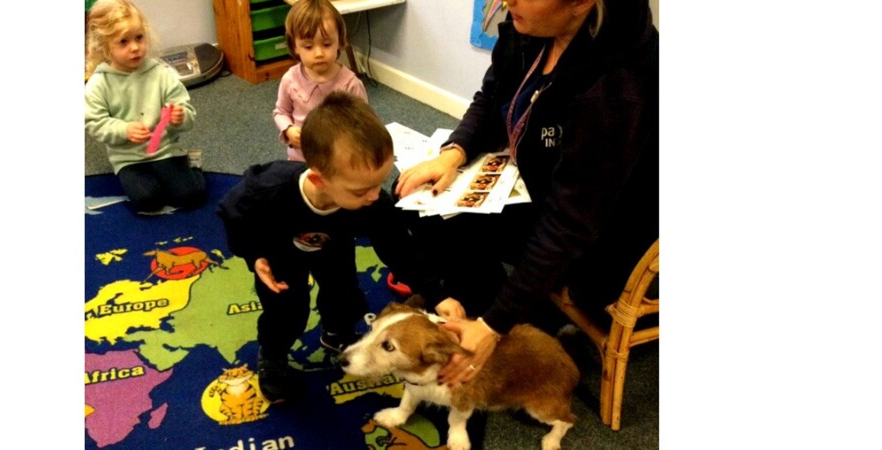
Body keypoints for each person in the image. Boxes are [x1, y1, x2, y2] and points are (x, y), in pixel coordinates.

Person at [393, 0, 658, 387]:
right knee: (412, 203)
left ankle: (505, 335)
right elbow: (490, 97)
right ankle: (493, 309)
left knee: (449, 233)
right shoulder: (533, 28)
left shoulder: (615, 91)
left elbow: (570, 225)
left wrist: (493, 324)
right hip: (543, 184)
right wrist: (455, 151)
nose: (506, 0)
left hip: (602, 239)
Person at [218, 92, 450, 403]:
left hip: (335, 246)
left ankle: (337, 333)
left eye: (378, 183)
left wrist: (438, 293)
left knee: (344, 293)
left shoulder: (370, 203)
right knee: (286, 309)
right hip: (280, 252)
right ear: (319, 179)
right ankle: (273, 356)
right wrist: (254, 254)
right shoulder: (269, 188)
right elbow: (234, 212)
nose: (373, 195)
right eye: (361, 190)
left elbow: (399, 247)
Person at [85, 0, 206, 215]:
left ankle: (192, 166)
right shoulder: (98, 83)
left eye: (139, 38)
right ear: (105, 47)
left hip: (165, 150)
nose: (134, 47)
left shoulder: (160, 73)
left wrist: (180, 116)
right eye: (123, 42)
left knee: (190, 196)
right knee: (147, 200)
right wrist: (123, 129)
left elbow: (187, 112)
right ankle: (155, 182)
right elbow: (95, 123)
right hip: (128, 158)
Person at [273, 0, 368, 162]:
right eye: (308, 47)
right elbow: (280, 112)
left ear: (339, 41)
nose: (318, 53)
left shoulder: (350, 84)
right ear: (295, 46)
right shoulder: (290, 79)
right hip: (299, 159)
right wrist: (288, 129)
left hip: (337, 162)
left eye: (326, 44)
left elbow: (363, 122)